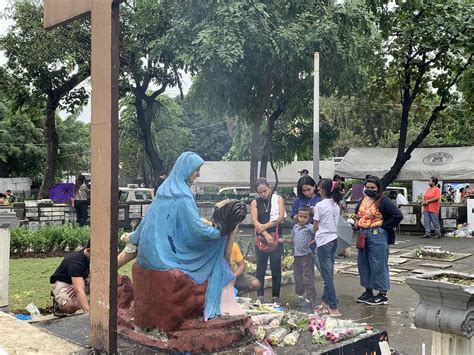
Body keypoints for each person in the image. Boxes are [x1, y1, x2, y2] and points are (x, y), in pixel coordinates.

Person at [125, 152, 246, 321]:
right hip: (165, 259)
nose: (198, 174)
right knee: (213, 258)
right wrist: (219, 233)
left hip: (148, 256)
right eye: (196, 170)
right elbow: (197, 230)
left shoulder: (164, 189)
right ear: (187, 169)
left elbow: (148, 219)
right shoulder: (183, 195)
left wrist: (134, 237)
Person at [354, 176, 403, 306]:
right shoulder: (362, 201)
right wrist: (355, 222)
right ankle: (368, 291)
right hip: (363, 235)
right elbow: (356, 215)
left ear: (378, 189)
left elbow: (398, 215)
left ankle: (382, 294)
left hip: (377, 235)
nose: (369, 190)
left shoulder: (383, 201)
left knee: (378, 265)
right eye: (367, 187)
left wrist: (384, 226)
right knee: (363, 264)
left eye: (373, 188)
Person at [251, 178, 285, 305]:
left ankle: (276, 296)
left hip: (276, 237)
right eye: (260, 192)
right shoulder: (255, 202)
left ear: (269, 188)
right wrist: (265, 234)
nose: (263, 194)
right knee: (261, 268)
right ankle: (260, 295)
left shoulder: (278, 199)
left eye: (265, 191)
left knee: (276, 267)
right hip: (262, 239)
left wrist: (265, 227)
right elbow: (255, 221)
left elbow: (280, 217)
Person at [313, 179, 342, 316]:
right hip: (333, 239)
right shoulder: (335, 205)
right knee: (328, 273)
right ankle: (325, 301)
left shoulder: (320, 205)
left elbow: (316, 225)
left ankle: (333, 306)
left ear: (323, 190)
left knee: (326, 276)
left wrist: (313, 231)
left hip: (324, 241)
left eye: (319, 188)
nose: (318, 190)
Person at [50, 239, 90, 315]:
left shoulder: (96, 257)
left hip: (81, 280)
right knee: (75, 305)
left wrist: (83, 282)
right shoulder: (76, 262)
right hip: (64, 283)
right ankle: (58, 307)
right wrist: (89, 314)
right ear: (88, 250)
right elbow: (79, 290)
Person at [290, 205, 316, 312]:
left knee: (307, 277)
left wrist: (313, 241)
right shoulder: (295, 227)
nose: (302, 219)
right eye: (300, 216)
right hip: (297, 255)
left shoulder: (310, 227)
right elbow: (292, 239)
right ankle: (300, 295)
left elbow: (318, 235)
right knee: (297, 276)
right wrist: (284, 240)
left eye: (305, 217)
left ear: (309, 218)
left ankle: (310, 297)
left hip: (307, 255)